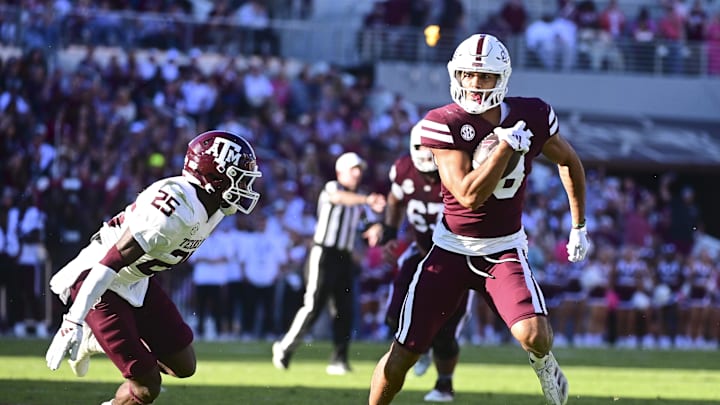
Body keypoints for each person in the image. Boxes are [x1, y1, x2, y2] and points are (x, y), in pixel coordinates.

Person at [369, 34, 589, 405]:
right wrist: (504, 147)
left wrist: (578, 225)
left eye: (484, 76)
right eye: (468, 74)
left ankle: (544, 364)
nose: (474, 84)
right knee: (403, 353)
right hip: (451, 250)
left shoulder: (531, 114)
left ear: (501, 78)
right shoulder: (442, 122)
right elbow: (469, 196)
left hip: (503, 249)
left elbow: (569, 160)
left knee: (535, 334)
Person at [44, 130, 262, 405]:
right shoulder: (173, 208)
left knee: (183, 365)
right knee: (148, 386)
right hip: (100, 278)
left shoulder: (215, 206)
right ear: (214, 177)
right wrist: (72, 320)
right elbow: (111, 261)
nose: (245, 188)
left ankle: (95, 341)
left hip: (136, 278)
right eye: (239, 178)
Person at [378, 123, 471, 402]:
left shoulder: (458, 168)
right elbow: (394, 201)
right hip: (420, 252)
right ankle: (419, 347)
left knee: (445, 332)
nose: (430, 175)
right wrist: (390, 235)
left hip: (457, 259)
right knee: (394, 316)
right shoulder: (404, 170)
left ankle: (444, 384)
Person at [272, 152, 386, 375]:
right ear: (340, 171)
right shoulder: (333, 188)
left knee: (345, 309)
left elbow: (365, 224)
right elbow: (338, 198)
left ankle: (339, 360)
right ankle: (285, 347)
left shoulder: (359, 198)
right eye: (353, 169)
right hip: (323, 254)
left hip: (344, 257)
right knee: (313, 305)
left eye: (359, 169)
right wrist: (366, 200)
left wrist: (375, 228)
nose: (357, 173)